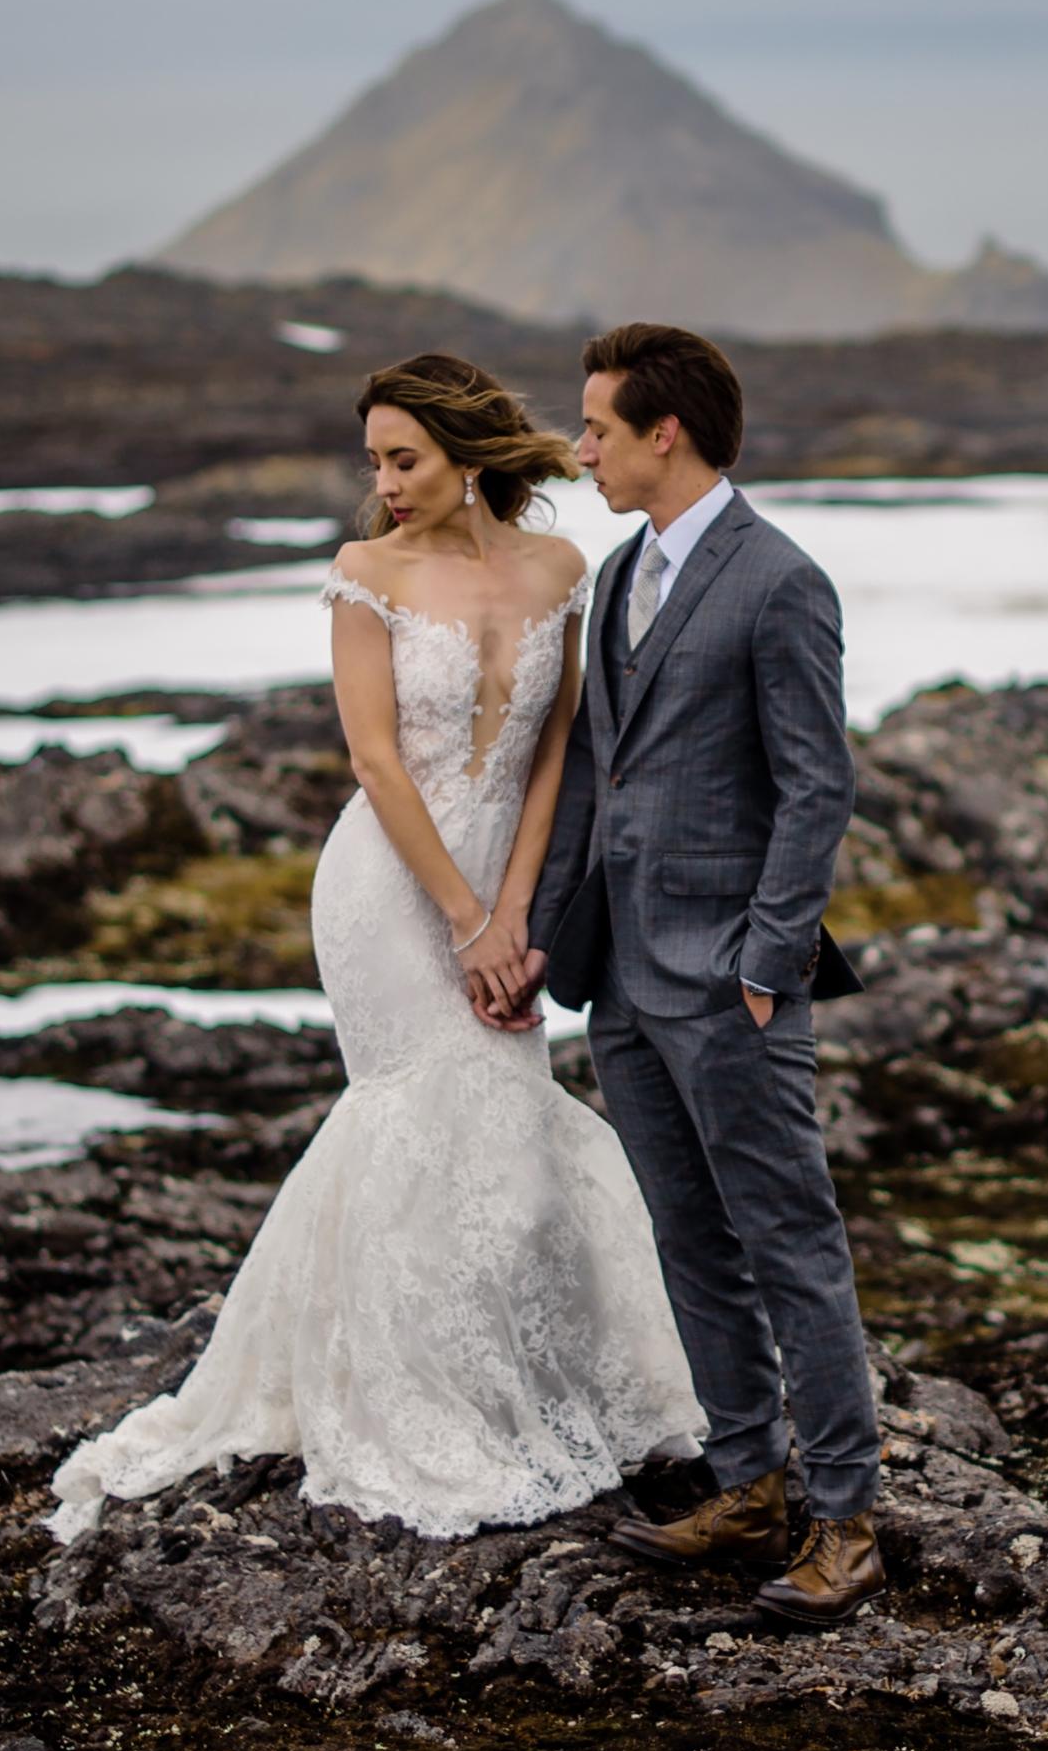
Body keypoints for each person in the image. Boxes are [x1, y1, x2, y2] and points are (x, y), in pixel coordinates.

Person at [48, 353, 702, 1543]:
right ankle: (411, 1405)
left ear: (468, 455)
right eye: (377, 464)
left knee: (508, 1129)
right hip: (390, 891)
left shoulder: (566, 569)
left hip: (504, 884)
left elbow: (557, 754)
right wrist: (464, 921)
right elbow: (376, 763)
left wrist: (520, 916)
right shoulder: (366, 575)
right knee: (421, 1112)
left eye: (405, 459)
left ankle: (519, 1388)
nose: (386, 484)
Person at [527, 321, 886, 1629]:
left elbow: (817, 785)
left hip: (730, 981)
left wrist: (765, 964)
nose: (581, 449)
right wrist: (547, 937)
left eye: (597, 428)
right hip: (622, 977)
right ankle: (748, 1481)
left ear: (662, 433)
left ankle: (845, 1521)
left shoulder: (780, 581)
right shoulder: (620, 572)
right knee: (689, 1242)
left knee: (791, 1243)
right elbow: (596, 779)